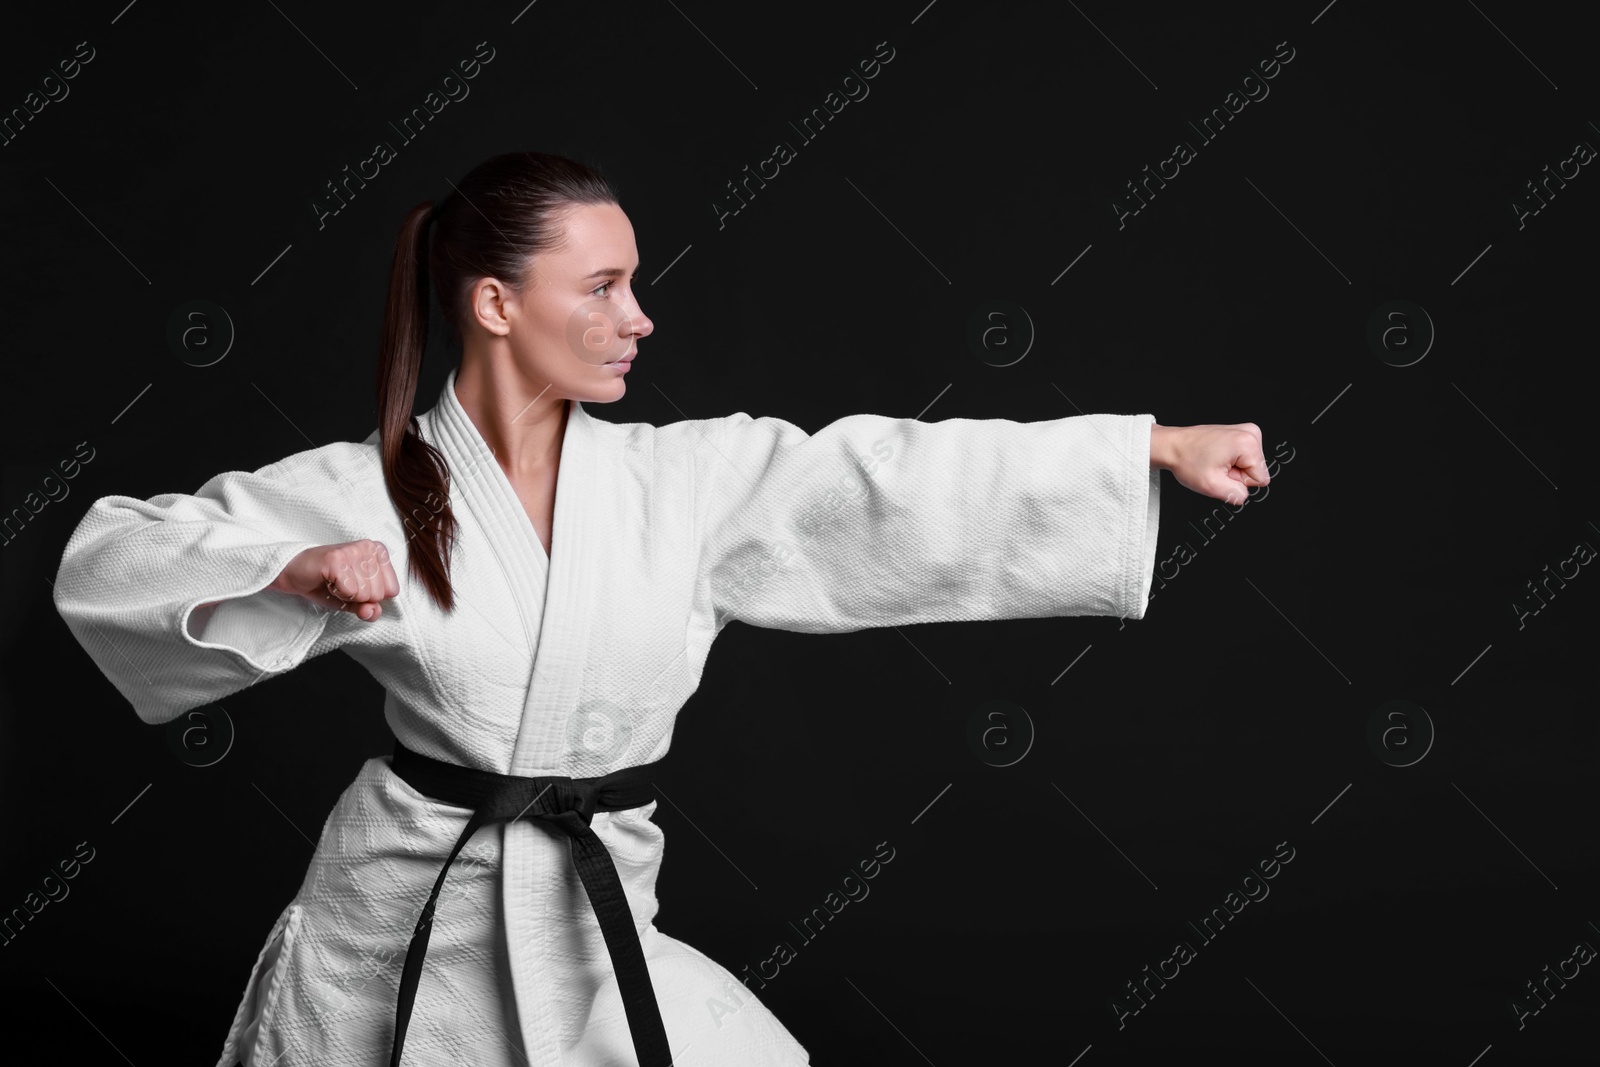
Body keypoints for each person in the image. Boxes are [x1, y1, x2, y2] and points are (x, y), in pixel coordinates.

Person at [51, 150, 1269, 1067]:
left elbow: (879, 478)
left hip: (594, 918)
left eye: (635, 284)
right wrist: (288, 572)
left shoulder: (680, 485)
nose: (639, 316)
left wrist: (1146, 448)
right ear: (493, 304)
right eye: (604, 285)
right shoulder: (361, 488)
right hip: (395, 931)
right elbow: (116, 557)